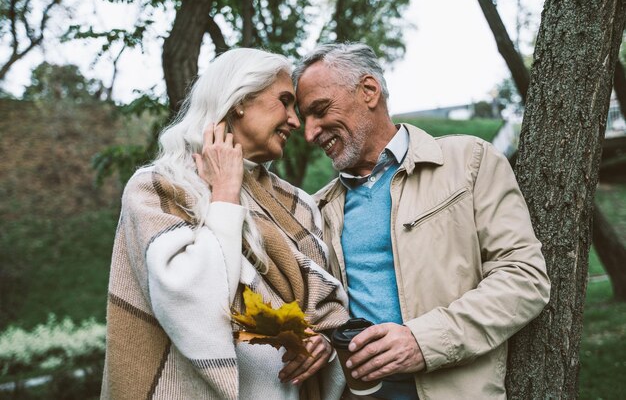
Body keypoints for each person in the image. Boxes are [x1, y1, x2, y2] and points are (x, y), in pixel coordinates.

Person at [292, 43, 551, 400]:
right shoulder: (316, 209)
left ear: (369, 91)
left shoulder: (470, 162)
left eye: (319, 110)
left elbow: (525, 278)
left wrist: (421, 341)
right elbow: (322, 307)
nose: (309, 133)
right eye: (304, 119)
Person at [100, 48, 350, 400]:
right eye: (284, 102)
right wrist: (226, 194)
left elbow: (325, 308)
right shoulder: (158, 188)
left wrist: (323, 343)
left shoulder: (298, 204)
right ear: (239, 101)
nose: (296, 121)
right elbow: (191, 301)